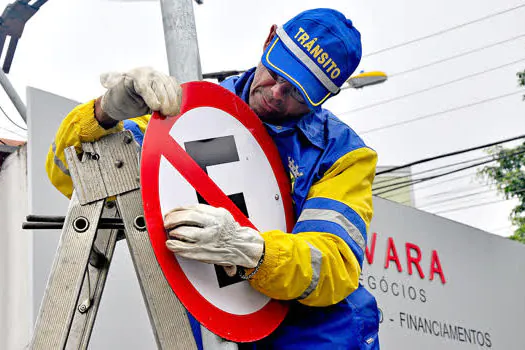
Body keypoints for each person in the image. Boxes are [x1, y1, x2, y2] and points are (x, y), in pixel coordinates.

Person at [46, 8, 380, 350]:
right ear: (269, 40)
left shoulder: (342, 155)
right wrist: (106, 111)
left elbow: (332, 264)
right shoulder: (191, 112)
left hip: (317, 338)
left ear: (327, 96)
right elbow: (76, 175)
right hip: (221, 333)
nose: (276, 93)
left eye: (297, 91)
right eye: (277, 73)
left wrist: (252, 250)